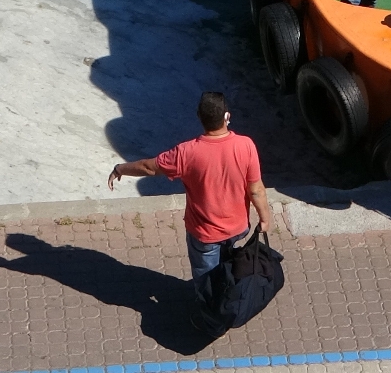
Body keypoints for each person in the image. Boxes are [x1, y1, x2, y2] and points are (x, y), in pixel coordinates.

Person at [108, 92, 274, 281]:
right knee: (228, 265)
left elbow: (149, 167)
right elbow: (256, 190)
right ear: (227, 116)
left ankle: (210, 305)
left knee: (207, 284)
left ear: (199, 118)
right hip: (238, 228)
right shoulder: (246, 146)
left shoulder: (186, 153)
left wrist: (120, 169)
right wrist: (265, 218)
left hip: (205, 234)